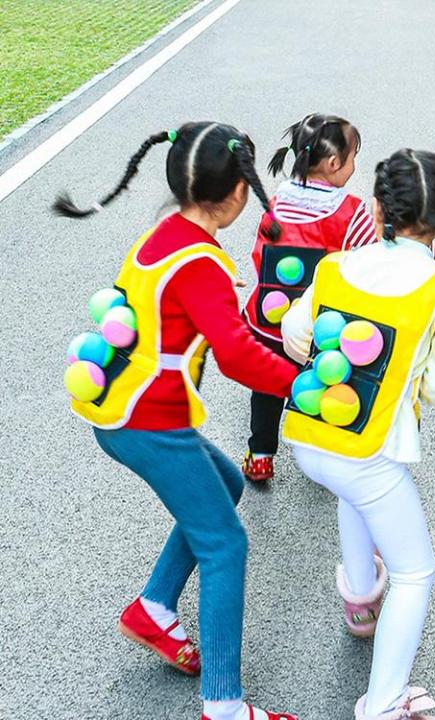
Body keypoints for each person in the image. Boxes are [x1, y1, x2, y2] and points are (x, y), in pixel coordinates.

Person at [55, 122, 298, 720]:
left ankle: (154, 611)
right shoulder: (203, 264)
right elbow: (239, 354)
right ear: (239, 193)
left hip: (125, 403)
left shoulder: (165, 235)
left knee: (228, 484)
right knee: (225, 545)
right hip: (148, 420)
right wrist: (306, 384)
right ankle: (224, 704)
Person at [281, 149, 435, 719]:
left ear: (376, 206)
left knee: (354, 495)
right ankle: (385, 702)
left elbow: (296, 331)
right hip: (371, 449)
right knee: (416, 571)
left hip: (311, 435)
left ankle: (361, 599)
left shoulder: (337, 266)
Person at [241, 113, 435, 483]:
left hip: (267, 319)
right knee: (326, 380)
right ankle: (324, 445)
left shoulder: (276, 202)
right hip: (321, 327)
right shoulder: (351, 212)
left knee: (265, 388)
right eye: (353, 157)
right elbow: (381, 252)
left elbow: (259, 255)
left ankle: (261, 453)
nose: (354, 166)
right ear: (332, 164)